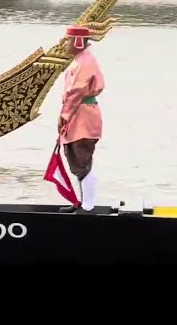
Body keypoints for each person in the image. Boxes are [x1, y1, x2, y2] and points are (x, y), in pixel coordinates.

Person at [57, 25, 105, 214]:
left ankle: (88, 206)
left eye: (68, 40)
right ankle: (83, 202)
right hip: (80, 113)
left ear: (77, 41)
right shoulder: (81, 60)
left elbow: (76, 92)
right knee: (77, 158)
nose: (65, 44)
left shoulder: (85, 63)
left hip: (83, 114)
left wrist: (64, 115)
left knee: (82, 158)